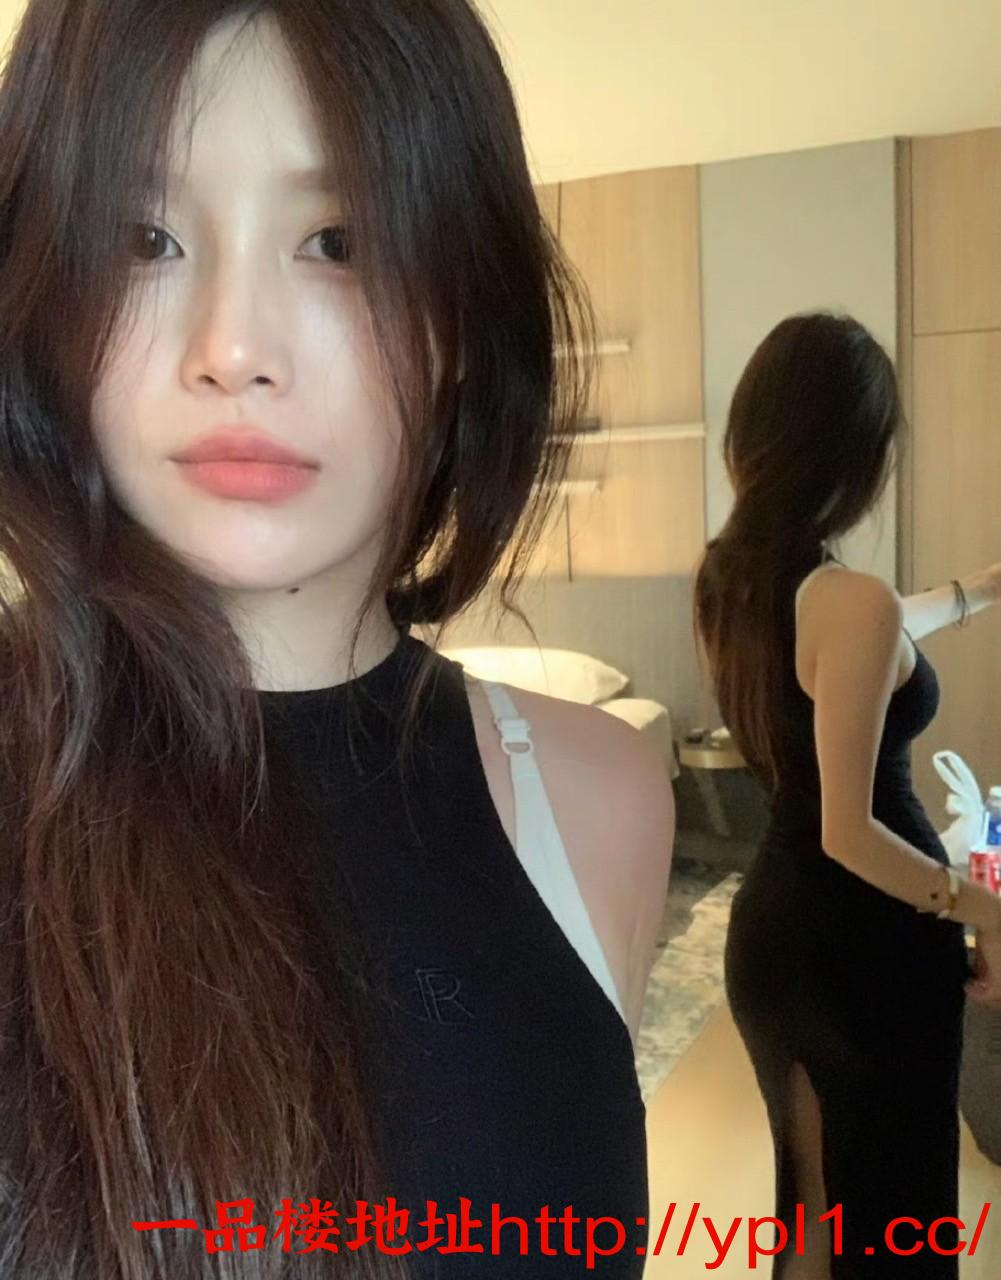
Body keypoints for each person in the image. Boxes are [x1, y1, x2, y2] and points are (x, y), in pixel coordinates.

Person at [0, 3, 676, 1276]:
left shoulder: (597, 795)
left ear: (464, 312)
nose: (233, 350)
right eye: (142, 240)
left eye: (338, 242)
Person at [693, 311, 1001, 1280]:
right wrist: (985, 908)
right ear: (861, 451)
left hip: (773, 939)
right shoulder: (845, 600)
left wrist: (978, 588)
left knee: (814, 1220)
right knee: (897, 1215)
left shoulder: (732, 578)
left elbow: (878, 632)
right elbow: (849, 833)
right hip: (866, 945)